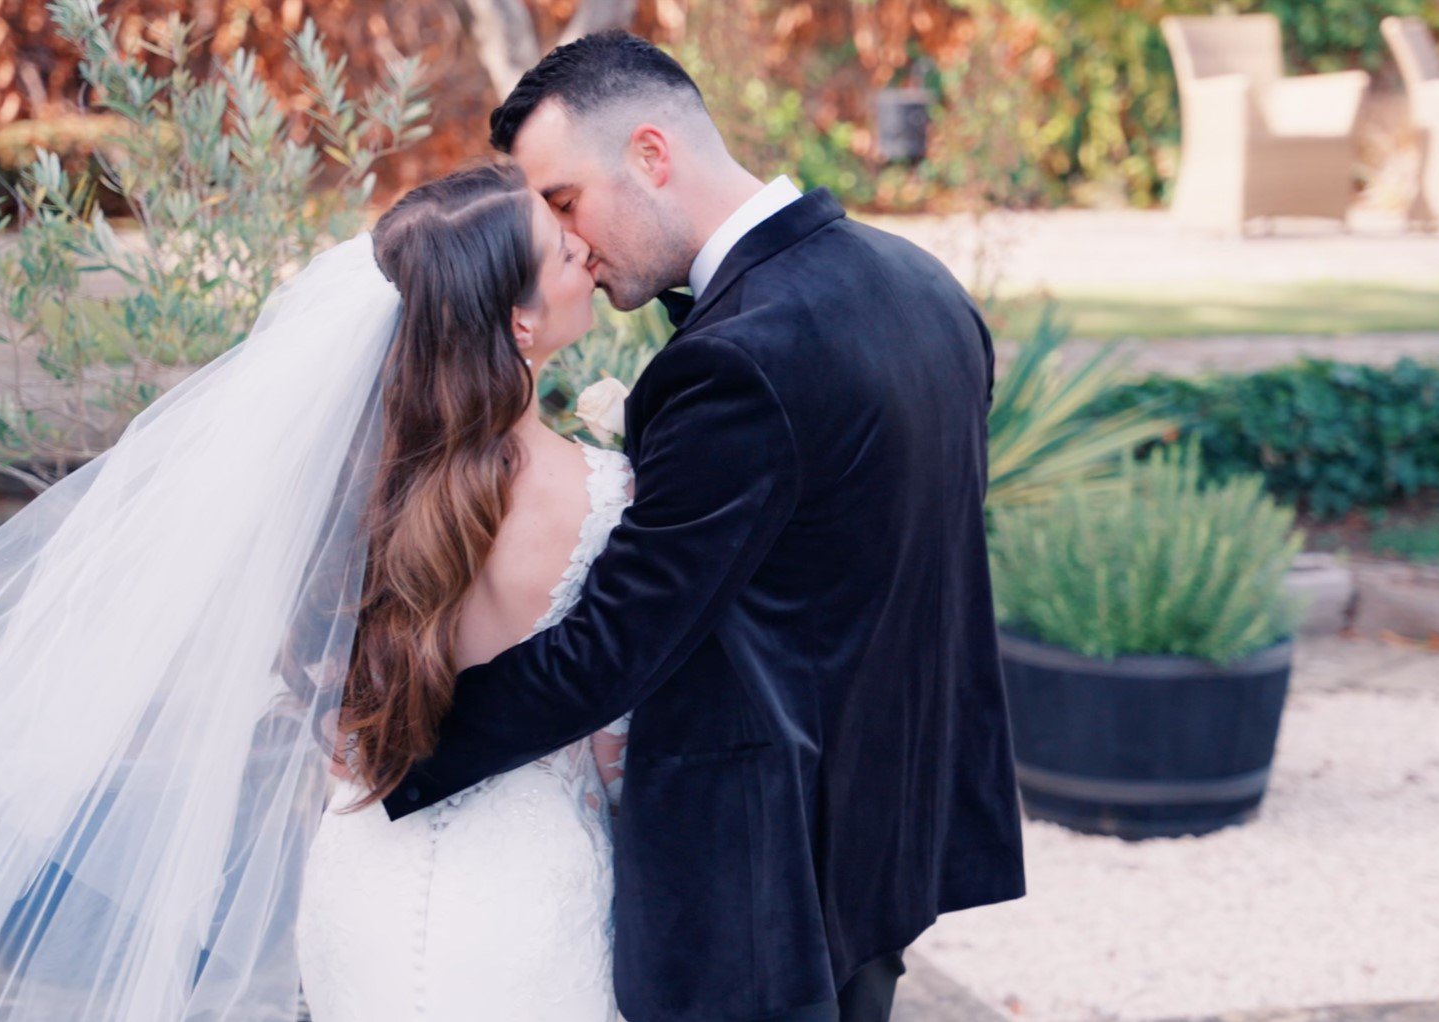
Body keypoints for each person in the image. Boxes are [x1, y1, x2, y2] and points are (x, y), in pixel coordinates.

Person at [0, 164, 647, 1021]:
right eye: (560, 250)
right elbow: (613, 728)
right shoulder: (607, 496)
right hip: (530, 893)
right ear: (518, 325)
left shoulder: (350, 489)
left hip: (364, 879)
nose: (582, 245)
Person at [382, 31, 1026, 1022]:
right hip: (885, 847)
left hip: (760, 887)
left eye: (563, 202)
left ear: (649, 154)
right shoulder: (925, 286)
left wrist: (397, 746)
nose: (575, 247)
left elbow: (613, 649)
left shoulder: (738, 359)